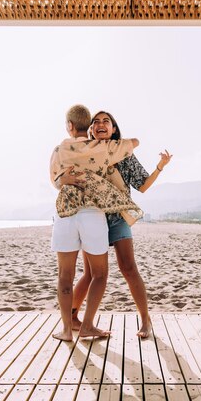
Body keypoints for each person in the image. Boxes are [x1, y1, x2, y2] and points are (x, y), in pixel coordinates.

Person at [62, 111, 172, 338]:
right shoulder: (87, 151)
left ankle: (145, 320)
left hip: (118, 217)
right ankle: (72, 318)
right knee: (90, 274)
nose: (101, 125)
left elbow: (142, 185)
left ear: (113, 129)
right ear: (90, 129)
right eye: (96, 122)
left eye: (106, 122)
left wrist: (160, 166)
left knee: (128, 268)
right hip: (93, 216)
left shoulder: (124, 154)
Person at [49, 105, 142, 342]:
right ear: (89, 126)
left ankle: (67, 330)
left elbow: (55, 180)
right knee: (99, 273)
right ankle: (88, 325)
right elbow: (135, 142)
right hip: (92, 214)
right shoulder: (102, 148)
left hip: (66, 212)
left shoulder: (59, 150)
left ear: (70, 126)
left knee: (65, 276)